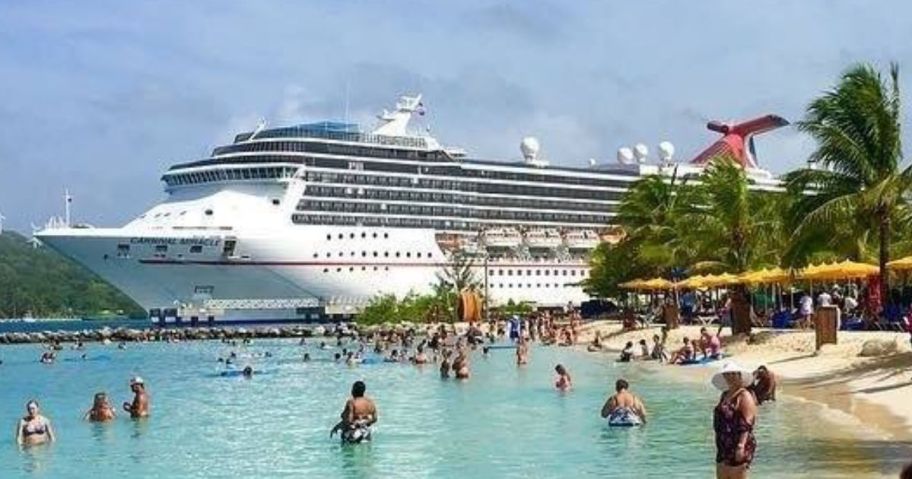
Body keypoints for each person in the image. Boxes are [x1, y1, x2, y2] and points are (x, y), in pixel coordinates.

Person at [712, 362, 758, 478]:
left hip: (738, 442)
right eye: (727, 374)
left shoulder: (744, 396)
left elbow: (747, 423)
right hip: (723, 443)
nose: (730, 377)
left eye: (733, 374)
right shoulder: (725, 395)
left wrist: (741, 446)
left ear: (740, 376)